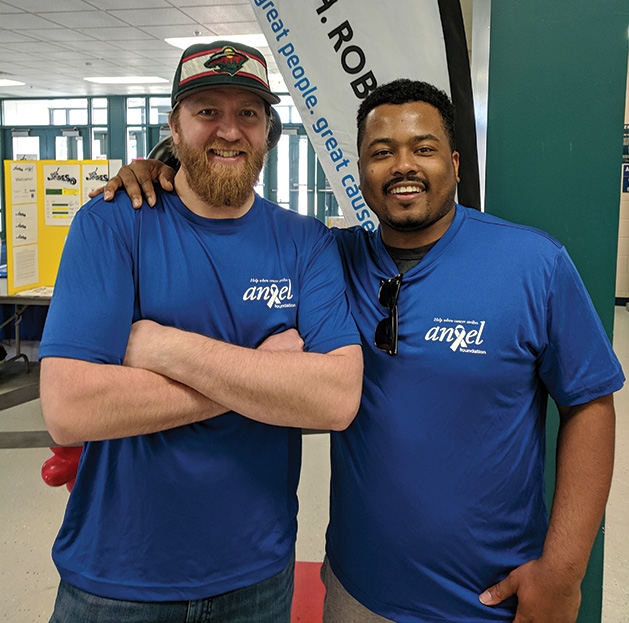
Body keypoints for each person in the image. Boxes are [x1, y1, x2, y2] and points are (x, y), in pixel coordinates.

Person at [94, 78, 624, 623]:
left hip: (491, 600)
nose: (402, 166)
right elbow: (234, 221)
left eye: (423, 148)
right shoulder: (330, 260)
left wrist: (562, 571)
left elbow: (589, 405)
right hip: (357, 594)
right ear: (362, 170)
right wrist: (158, 170)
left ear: (456, 163)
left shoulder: (534, 264)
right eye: (381, 152)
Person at [39, 40, 363, 623]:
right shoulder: (112, 223)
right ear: (174, 124)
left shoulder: (305, 242)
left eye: (248, 113)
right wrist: (262, 373)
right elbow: (70, 407)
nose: (229, 130)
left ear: (269, 131)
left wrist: (161, 347)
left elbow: (335, 399)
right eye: (207, 110)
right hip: (115, 577)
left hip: (256, 576)